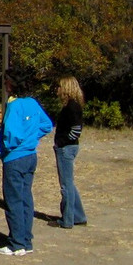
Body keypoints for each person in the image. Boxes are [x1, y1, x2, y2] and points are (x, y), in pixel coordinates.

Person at [0, 70, 52, 256]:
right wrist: (31, 138)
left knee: (13, 200)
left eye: (6, 83)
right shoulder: (33, 103)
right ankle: (26, 240)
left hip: (15, 157)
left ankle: (16, 243)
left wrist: (6, 147)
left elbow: (11, 134)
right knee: (26, 198)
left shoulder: (14, 105)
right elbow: (46, 125)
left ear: (11, 84)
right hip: (30, 156)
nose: (4, 86)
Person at [51, 76, 88, 229]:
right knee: (69, 184)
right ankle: (78, 216)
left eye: (60, 86)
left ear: (66, 88)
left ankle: (67, 220)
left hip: (66, 148)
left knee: (65, 186)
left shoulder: (72, 107)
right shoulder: (71, 105)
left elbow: (76, 130)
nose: (57, 90)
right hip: (67, 147)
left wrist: (62, 142)